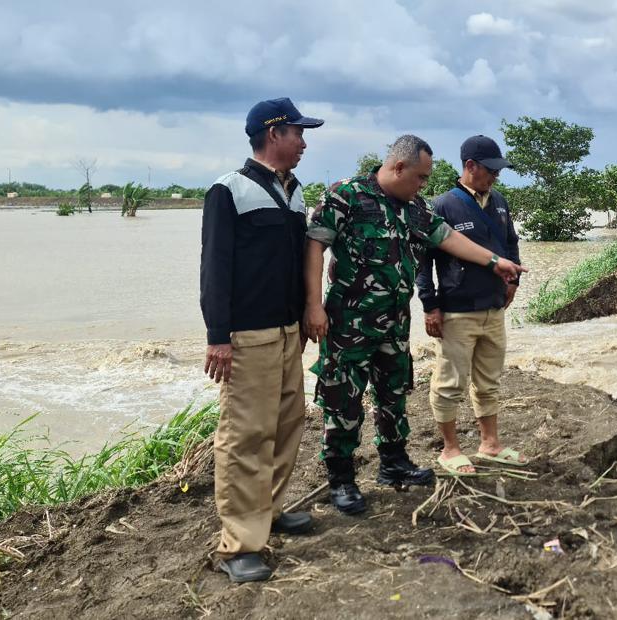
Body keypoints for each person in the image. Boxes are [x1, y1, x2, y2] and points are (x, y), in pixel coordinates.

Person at [303, 135, 527, 515]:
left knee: (393, 397)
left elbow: (449, 238)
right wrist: (313, 306)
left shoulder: (415, 207)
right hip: (349, 324)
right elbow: (314, 247)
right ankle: (341, 480)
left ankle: (393, 463)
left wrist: (494, 262)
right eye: (421, 178)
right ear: (398, 167)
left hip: (394, 322)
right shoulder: (347, 196)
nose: (424, 185)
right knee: (344, 403)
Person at [200, 97, 324, 583]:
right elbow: (214, 269)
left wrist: (306, 315)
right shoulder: (227, 191)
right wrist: (218, 337)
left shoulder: (293, 193)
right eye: (298, 132)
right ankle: (239, 545)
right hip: (247, 336)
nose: (304, 141)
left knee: (287, 422)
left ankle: (269, 511)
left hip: (288, 331)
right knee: (245, 434)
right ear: (274, 135)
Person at [417, 136, 527, 476]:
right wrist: (429, 305)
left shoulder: (501, 203)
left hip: (494, 308)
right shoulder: (443, 206)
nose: (494, 177)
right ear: (470, 166)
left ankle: (489, 443)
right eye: (490, 170)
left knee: (489, 380)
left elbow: (511, 243)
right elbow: (424, 262)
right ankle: (450, 449)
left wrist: (513, 281)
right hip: (457, 310)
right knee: (450, 382)